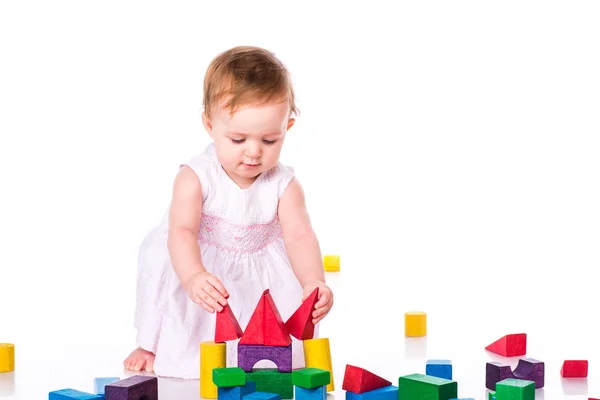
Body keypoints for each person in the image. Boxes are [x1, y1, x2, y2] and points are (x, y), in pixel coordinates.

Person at [123, 45, 334, 379]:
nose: (253, 152)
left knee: (270, 337)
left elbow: (299, 235)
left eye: (269, 140)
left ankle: (258, 359)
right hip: (203, 266)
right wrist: (193, 275)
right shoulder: (195, 177)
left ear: (287, 128)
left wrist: (313, 281)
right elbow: (182, 232)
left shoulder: (284, 184)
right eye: (238, 139)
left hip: (261, 274)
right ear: (210, 125)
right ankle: (152, 345)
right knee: (175, 299)